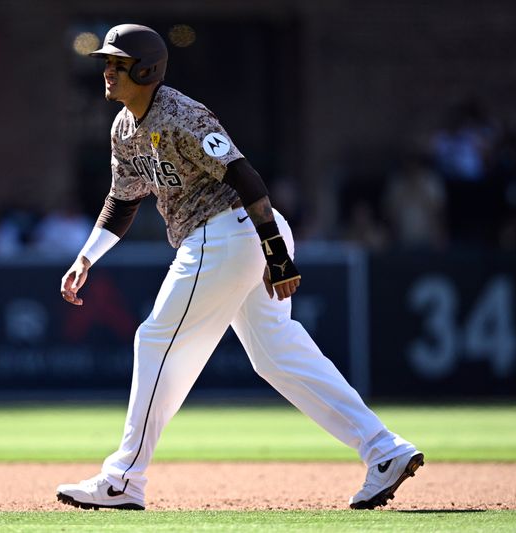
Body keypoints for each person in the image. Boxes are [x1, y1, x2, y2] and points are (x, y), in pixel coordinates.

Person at [56, 24, 423, 511]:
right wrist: (86, 258)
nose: (105, 70)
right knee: (276, 356)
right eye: (105, 61)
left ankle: (123, 478)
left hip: (230, 231)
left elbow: (245, 177)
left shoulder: (182, 114)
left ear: (145, 70)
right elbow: (122, 203)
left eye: (116, 63)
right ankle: (385, 451)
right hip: (224, 239)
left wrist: (276, 251)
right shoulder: (124, 127)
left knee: (156, 340)